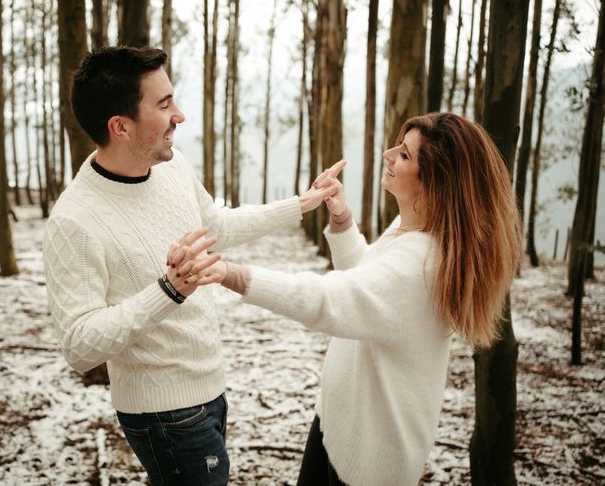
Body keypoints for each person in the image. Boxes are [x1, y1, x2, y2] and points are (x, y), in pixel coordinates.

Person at [42, 45, 341, 485]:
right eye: (164, 105)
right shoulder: (75, 220)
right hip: (162, 413)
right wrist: (169, 291)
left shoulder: (171, 165)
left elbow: (214, 224)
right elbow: (79, 345)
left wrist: (302, 204)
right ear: (120, 126)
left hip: (209, 388)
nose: (179, 115)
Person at [171, 112, 522, 486]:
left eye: (404, 154)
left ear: (433, 180)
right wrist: (341, 219)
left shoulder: (419, 262)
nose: (388, 153)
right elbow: (368, 289)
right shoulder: (414, 234)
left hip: (367, 459)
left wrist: (230, 273)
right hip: (340, 426)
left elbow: (331, 300)